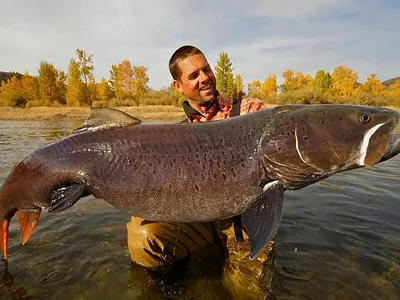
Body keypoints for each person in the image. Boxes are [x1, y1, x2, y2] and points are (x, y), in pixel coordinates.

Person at [126, 45, 274, 298]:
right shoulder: (177, 135)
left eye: (206, 69)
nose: (204, 77)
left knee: (248, 294)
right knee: (142, 238)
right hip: (198, 218)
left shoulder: (251, 110)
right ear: (178, 87)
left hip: (245, 225)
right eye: (193, 75)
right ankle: (174, 274)